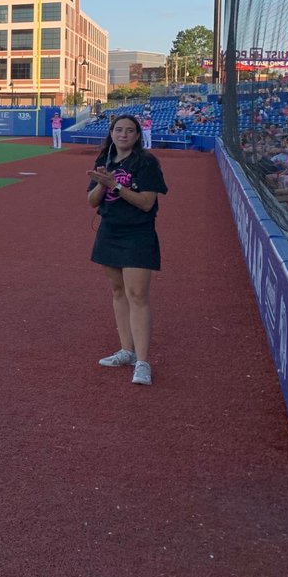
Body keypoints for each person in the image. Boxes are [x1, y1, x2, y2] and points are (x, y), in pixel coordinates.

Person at [86, 114, 168, 387]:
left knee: (137, 295)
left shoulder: (146, 163)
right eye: (118, 130)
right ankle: (126, 351)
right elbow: (91, 201)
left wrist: (115, 185)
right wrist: (101, 182)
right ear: (111, 133)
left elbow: (146, 203)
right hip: (109, 232)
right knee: (118, 291)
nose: (123, 135)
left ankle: (143, 362)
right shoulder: (104, 162)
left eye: (129, 131)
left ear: (137, 135)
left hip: (137, 234)